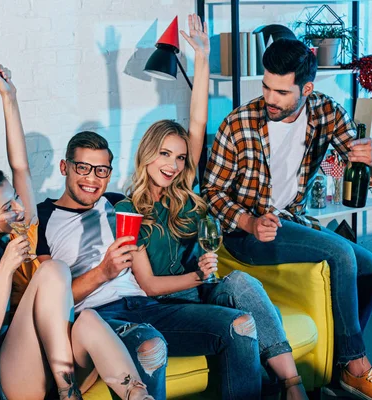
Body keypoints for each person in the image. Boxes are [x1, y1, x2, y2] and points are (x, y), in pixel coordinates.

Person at [35, 15, 263, 400]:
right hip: (103, 316)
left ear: (109, 174)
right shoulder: (43, 217)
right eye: (83, 169)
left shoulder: (114, 206)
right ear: (64, 167)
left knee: (241, 324)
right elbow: (50, 299)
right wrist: (105, 270)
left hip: (151, 304)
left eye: (101, 170)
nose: (92, 179)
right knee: (151, 346)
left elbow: (196, 126)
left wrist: (202, 58)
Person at [114, 17, 307, 399]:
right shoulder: (127, 209)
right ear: (147, 154)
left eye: (180, 157)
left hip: (199, 293)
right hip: (160, 308)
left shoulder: (184, 191)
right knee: (239, 325)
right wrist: (198, 278)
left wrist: (202, 57)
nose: (172, 164)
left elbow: (198, 122)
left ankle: (292, 383)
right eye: (164, 154)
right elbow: (149, 286)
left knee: (241, 283)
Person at [202, 38, 372, 400]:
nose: (270, 99)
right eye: (265, 87)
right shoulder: (239, 123)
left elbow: (370, 170)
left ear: (306, 88)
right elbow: (211, 195)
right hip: (246, 233)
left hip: (292, 221)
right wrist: (248, 223)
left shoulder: (325, 112)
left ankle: (338, 363)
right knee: (341, 254)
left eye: (280, 91)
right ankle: (356, 366)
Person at [0, 64, 153, 400]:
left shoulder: (25, 229)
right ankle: (65, 390)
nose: (19, 207)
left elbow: (20, 165)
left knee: (89, 318)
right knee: (54, 269)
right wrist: (6, 269)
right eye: (7, 208)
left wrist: (10, 97)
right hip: (16, 369)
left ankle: (137, 395)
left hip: (61, 354)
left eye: (16, 199)